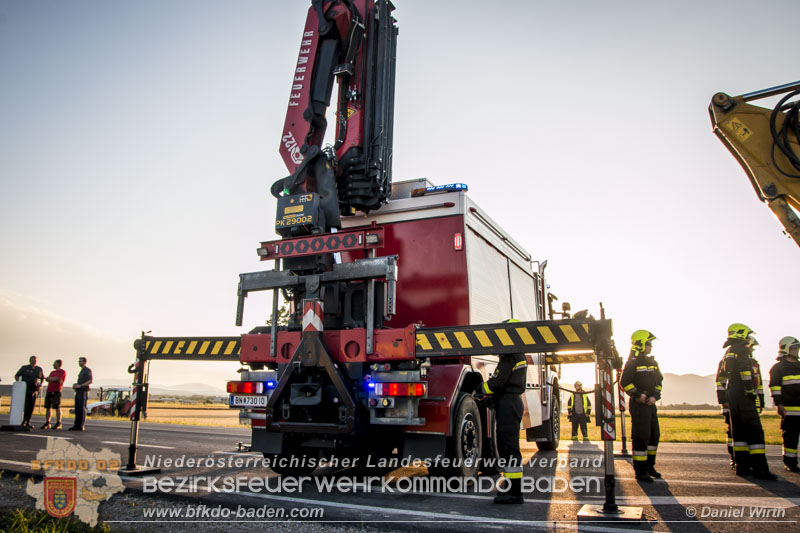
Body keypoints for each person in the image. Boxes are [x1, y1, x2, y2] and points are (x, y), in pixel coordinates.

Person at [476, 319, 527, 504]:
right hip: (510, 401)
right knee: (508, 446)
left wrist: (481, 388)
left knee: (508, 447)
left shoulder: (509, 356)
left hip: (508, 403)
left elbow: (497, 382)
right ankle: (512, 488)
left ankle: (515, 492)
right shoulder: (519, 354)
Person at [723, 323, 777, 480]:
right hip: (743, 395)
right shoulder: (741, 350)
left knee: (739, 432)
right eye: (746, 335)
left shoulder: (729, 350)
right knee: (755, 433)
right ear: (741, 335)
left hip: (733, 395)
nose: (748, 341)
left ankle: (743, 466)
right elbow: (745, 372)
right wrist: (749, 390)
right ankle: (761, 469)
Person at [621, 330, 663, 482]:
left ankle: (650, 466)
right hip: (639, 406)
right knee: (641, 437)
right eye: (648, 343)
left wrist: (654, 396)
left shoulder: (652, 362)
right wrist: (638, 395)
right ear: (640, 344)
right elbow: (624, 382)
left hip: (651, 405)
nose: (650, 346)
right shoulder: (632, 362)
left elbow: (659, 382)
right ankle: (640, 471)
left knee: (653, 436)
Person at [768, 336, 800, 473]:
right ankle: (790, 463)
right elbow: (775, 387)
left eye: (797, 348)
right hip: (790, 410)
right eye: (794, 348)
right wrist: (779, 404)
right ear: (786, 349)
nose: (797, 351)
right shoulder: (778, 368)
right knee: (790, 438)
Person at [14, 356, 45, 429]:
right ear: (29, 360)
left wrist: (40, 385)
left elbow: (42, 378)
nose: (34, 361)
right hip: (25, 389)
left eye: (35, 360)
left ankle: (28, 421)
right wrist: (19, 384)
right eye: (32, 360)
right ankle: (23, 420)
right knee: (25, 405)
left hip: (34, 390)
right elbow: (17, 376)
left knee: (31, 406)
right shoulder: (24, 368)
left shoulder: (39, 369)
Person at [69, 357, 93, 431]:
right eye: (79, 361)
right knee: (78, 408)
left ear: (84, 362)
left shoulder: (87, 370)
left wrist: (81, 385)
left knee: (82, 408)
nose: (79, 363)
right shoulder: (82, 370)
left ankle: (81, 425)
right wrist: (76, 385)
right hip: (79, 391)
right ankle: (76, 424)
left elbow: (90, 381)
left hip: (83, 391)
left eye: (81, 361)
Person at [42, 360, 66, 430]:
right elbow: (48, 379)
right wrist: (51, 379)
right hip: (49, 390)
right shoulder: (52, 372)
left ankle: (58, 422)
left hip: (56, 391)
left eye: (54, 363)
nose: (53, 365)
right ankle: (47, 422)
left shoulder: (62, 371)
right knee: (48, 407)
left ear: (58, 364)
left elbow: (58, 379)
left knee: (57, 407)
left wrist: (51, 379)